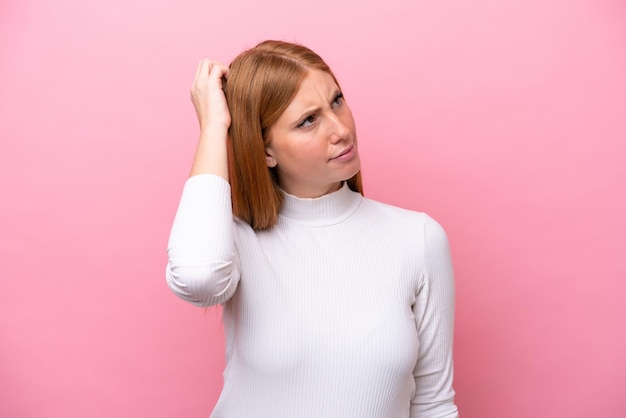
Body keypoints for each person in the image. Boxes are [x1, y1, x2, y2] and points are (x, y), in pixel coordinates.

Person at [166, 40, 459, 418]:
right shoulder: (237, 239)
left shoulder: (417, 239)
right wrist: (214, 126)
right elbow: (198, 278)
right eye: (308, 120)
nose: (340, 129)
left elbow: (434, 405)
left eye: (337, 101)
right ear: (265, 151)